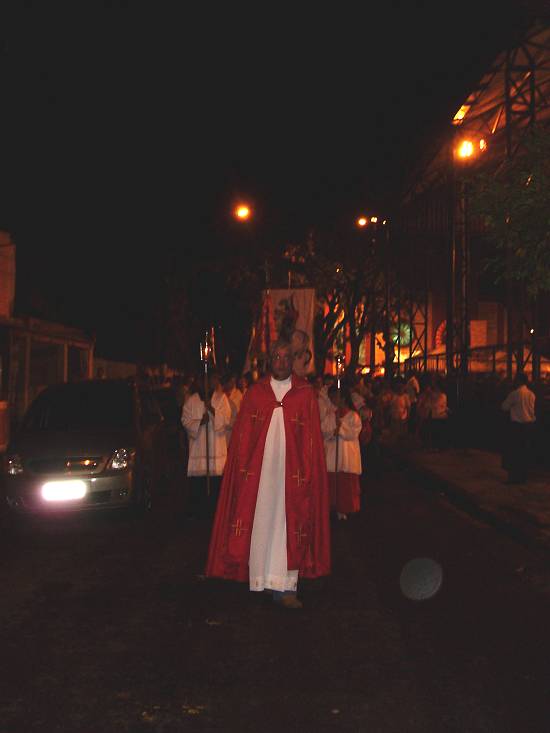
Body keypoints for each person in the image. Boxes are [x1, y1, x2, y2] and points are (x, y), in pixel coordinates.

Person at [206, 339, 331, 609]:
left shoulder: (305, 394)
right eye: (276, 357)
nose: (281, 362)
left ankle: (286, 588)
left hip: (293, 477)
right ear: (269, 361)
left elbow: (311, 441)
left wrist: (308, 472)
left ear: (292, 360)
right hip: (260, 477)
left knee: (288, 526)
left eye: (286, 357)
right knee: (261, 523)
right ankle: (261, 579)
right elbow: (243, 438)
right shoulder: (256, 394)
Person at [181, 370, 232, 519]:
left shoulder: (221, 399)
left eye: (211, 380)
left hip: (216, 452)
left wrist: (212, 410)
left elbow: (227, 420)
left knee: (216, 490)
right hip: (199, 452)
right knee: (199, 489)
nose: (208, 383)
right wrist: (199, 423)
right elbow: (185, 420)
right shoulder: (192, 401)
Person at [321, 383, 362, 520]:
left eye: (335, 396)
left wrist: (342, 427)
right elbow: (323, 431)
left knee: (345, 483)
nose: (332, 400)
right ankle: (332, 507)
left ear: (342, 398)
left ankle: (344, 508)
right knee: (333, 483)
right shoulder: (330, 415)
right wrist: (332, 432)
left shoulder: (353, 416)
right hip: (333, 454)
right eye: (331, 397)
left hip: (346, 455)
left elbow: (353, 433)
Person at [501, 372, 536, 484]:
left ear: (519, 381)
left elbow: (504, 407)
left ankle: (513, 478)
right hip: (528, 426)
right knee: (524, 453)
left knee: (514, 453)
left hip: (516, 427)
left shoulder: (514, 394)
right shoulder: (531, 394)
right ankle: (523, 477)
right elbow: (532, 411)